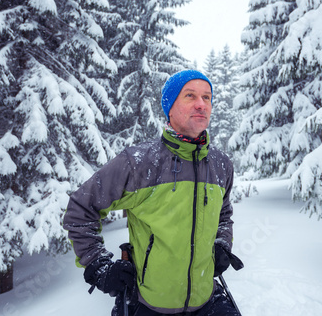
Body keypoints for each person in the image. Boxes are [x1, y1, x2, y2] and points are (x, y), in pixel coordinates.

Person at [63, 69, 243, 315]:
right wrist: (98, 265)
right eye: (190, 96)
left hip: (206, 300)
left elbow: (223, 212)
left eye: (207, 97)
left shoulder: (221, 165)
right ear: (169, 108)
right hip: (150, 304)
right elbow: (81, 209)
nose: (201, 104)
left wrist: (222, 243)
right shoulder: (138, 163)